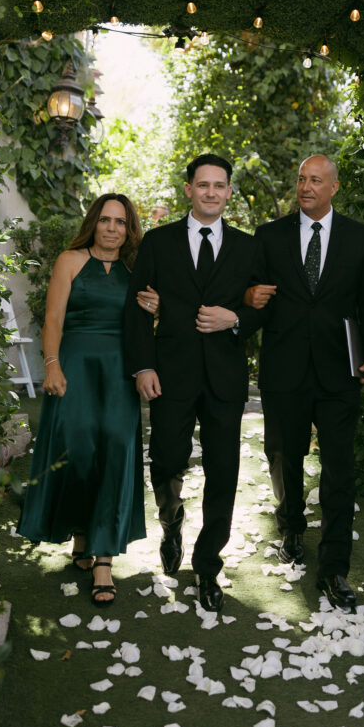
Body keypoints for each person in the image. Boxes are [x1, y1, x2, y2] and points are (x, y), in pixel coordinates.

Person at [246, 155, 364, 610]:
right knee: (283, 455)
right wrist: (248, 297)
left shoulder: (361, 239)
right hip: (284, 370)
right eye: (301, 179)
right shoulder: (268, 237)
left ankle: (335, 569)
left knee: (339, 469)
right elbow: (254, 298)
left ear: (334, 188)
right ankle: (290, 528)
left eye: (315, 180)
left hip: (339, 372)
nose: (306, 187)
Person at [124, 154, 262, 612]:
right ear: (188, 190)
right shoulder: (159, 243)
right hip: (170, 373)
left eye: (219, 186)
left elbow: (267, 303)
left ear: (228, 192)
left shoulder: (247, 247)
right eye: (202, 185)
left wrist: (236, 318)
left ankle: (207, 566)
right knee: (165, 460)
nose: (211, 193)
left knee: (224, 473)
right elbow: (137, 309)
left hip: (225, 378)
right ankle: (170, 518)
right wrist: (143, 366)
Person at [18, 194, 148, 607]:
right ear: (94, 223)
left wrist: (156, 308)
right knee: (78, 451)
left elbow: (146, 322)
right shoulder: (69, 261)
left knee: (116, 448)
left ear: (129, 229)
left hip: (119, 371)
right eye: (106, 220)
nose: (113, 228)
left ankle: (104, 559)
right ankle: (81, 535)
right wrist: (52, 365)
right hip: (73, 364)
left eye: (121, 222)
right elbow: (53, 318)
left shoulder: (137, 269)